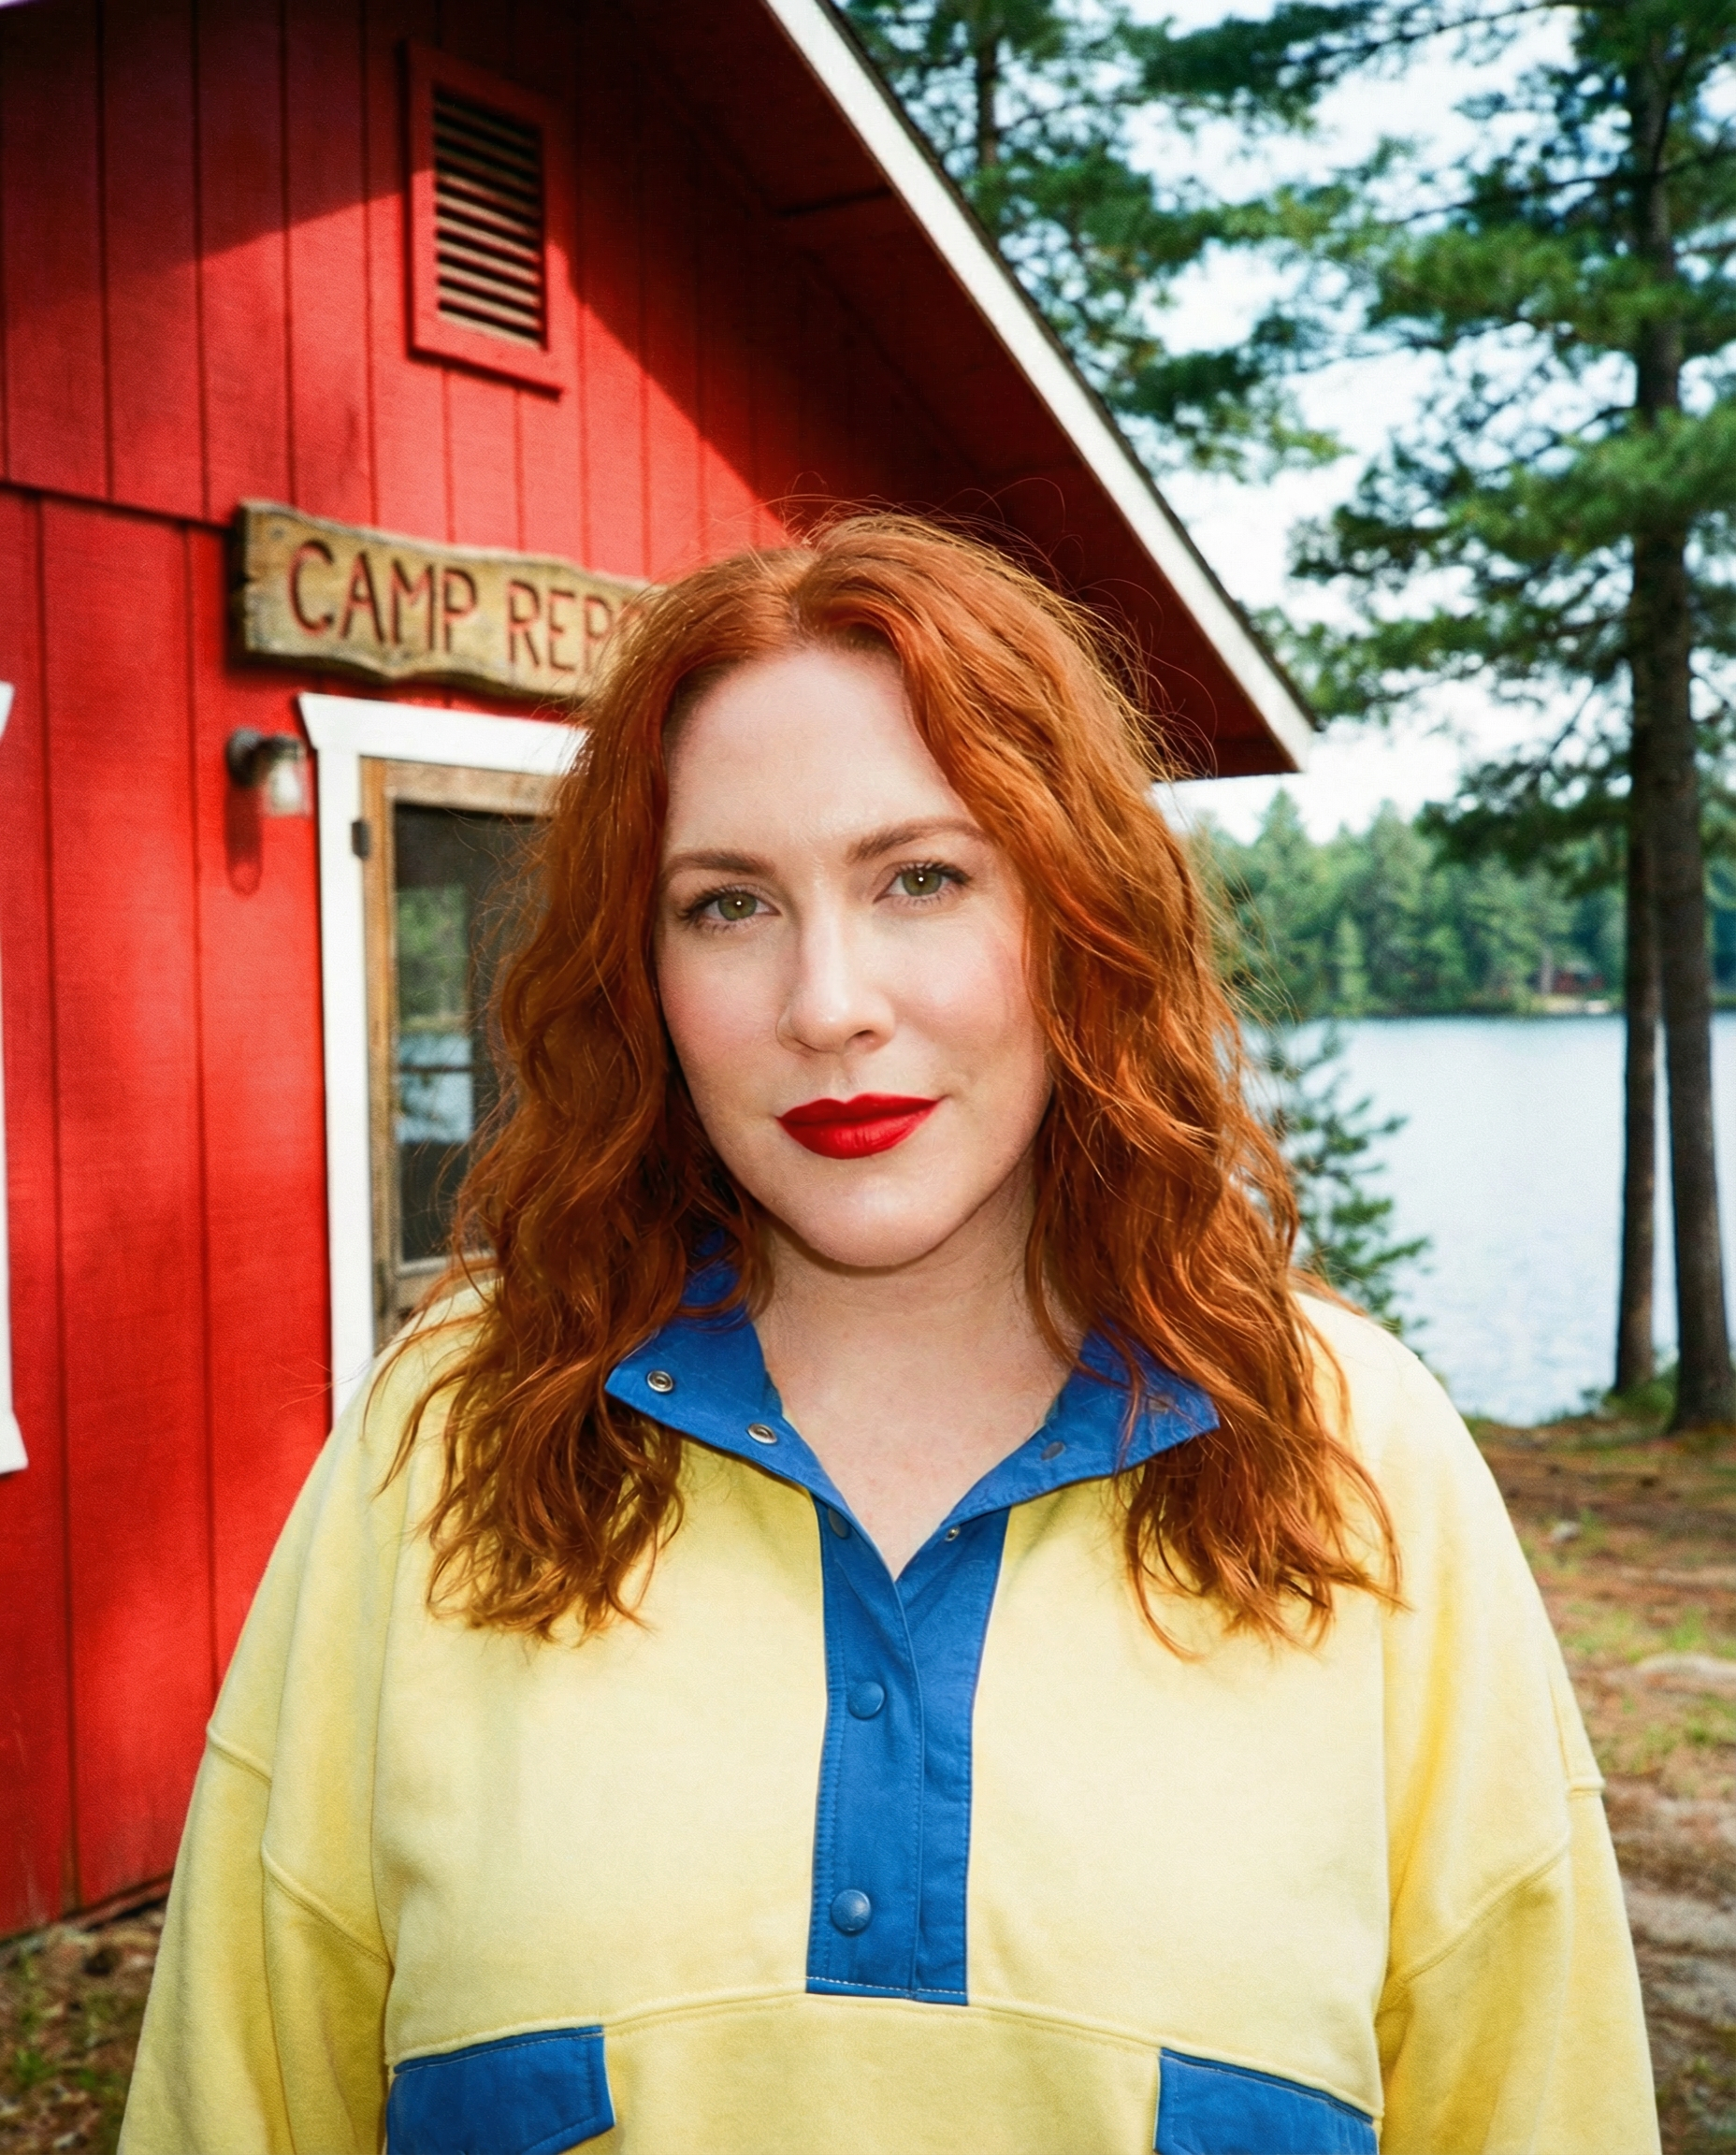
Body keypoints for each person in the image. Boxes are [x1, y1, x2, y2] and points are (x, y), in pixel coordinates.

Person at [121, 517, 1656, 2155]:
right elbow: (240, 2101)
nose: (828, 1001)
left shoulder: (1359, 1451)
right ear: (641, 971)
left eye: (919, 877)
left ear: (1078, 916)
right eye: (727, 905)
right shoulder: (451, 1430)